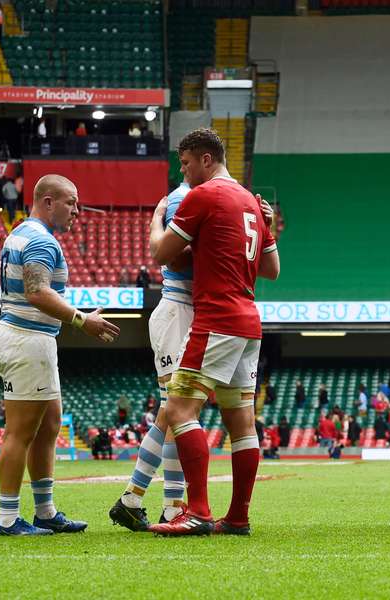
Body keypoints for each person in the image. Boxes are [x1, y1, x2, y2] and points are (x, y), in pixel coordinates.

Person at [146, 128, 279, 536]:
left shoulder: (204, 195)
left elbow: (161, 254)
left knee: (180, 410)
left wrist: (155, 221)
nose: (182, 173)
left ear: (206, 159)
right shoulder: (253, 203)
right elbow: (272, 270)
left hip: (216, 318)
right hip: (248, 321)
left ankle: (199, 511)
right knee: (242, 423)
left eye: (185, 163)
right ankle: (237, 517)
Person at [0, 174, 120, 535]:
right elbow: (36, 292)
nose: (77, 210)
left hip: (29, 337)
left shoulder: (21, 232)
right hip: (26, 339)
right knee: (20, 433)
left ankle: (45, 511)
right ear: (48, 201)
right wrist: (81, 320)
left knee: (49, 425)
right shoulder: (41, 241)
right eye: (71, 202)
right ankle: (7, 519)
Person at [109, 179, 193, 531]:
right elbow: (172, 254)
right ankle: (171, 508)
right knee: (176, 411)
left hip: (181, 311)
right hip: (178, 311)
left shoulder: (184, 198)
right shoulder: (184, 199)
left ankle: (134, 499)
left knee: (172, 411)